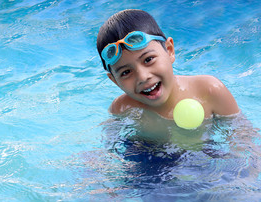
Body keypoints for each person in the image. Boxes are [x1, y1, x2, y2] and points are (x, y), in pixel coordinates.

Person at [96, 9, 239, 120]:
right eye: (126, 72)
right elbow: (109, 147)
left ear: (169, 50)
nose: (143, 77)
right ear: (115, 80)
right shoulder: (123, 108)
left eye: (148, 59)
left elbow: (242, 136)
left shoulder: (209, 91)